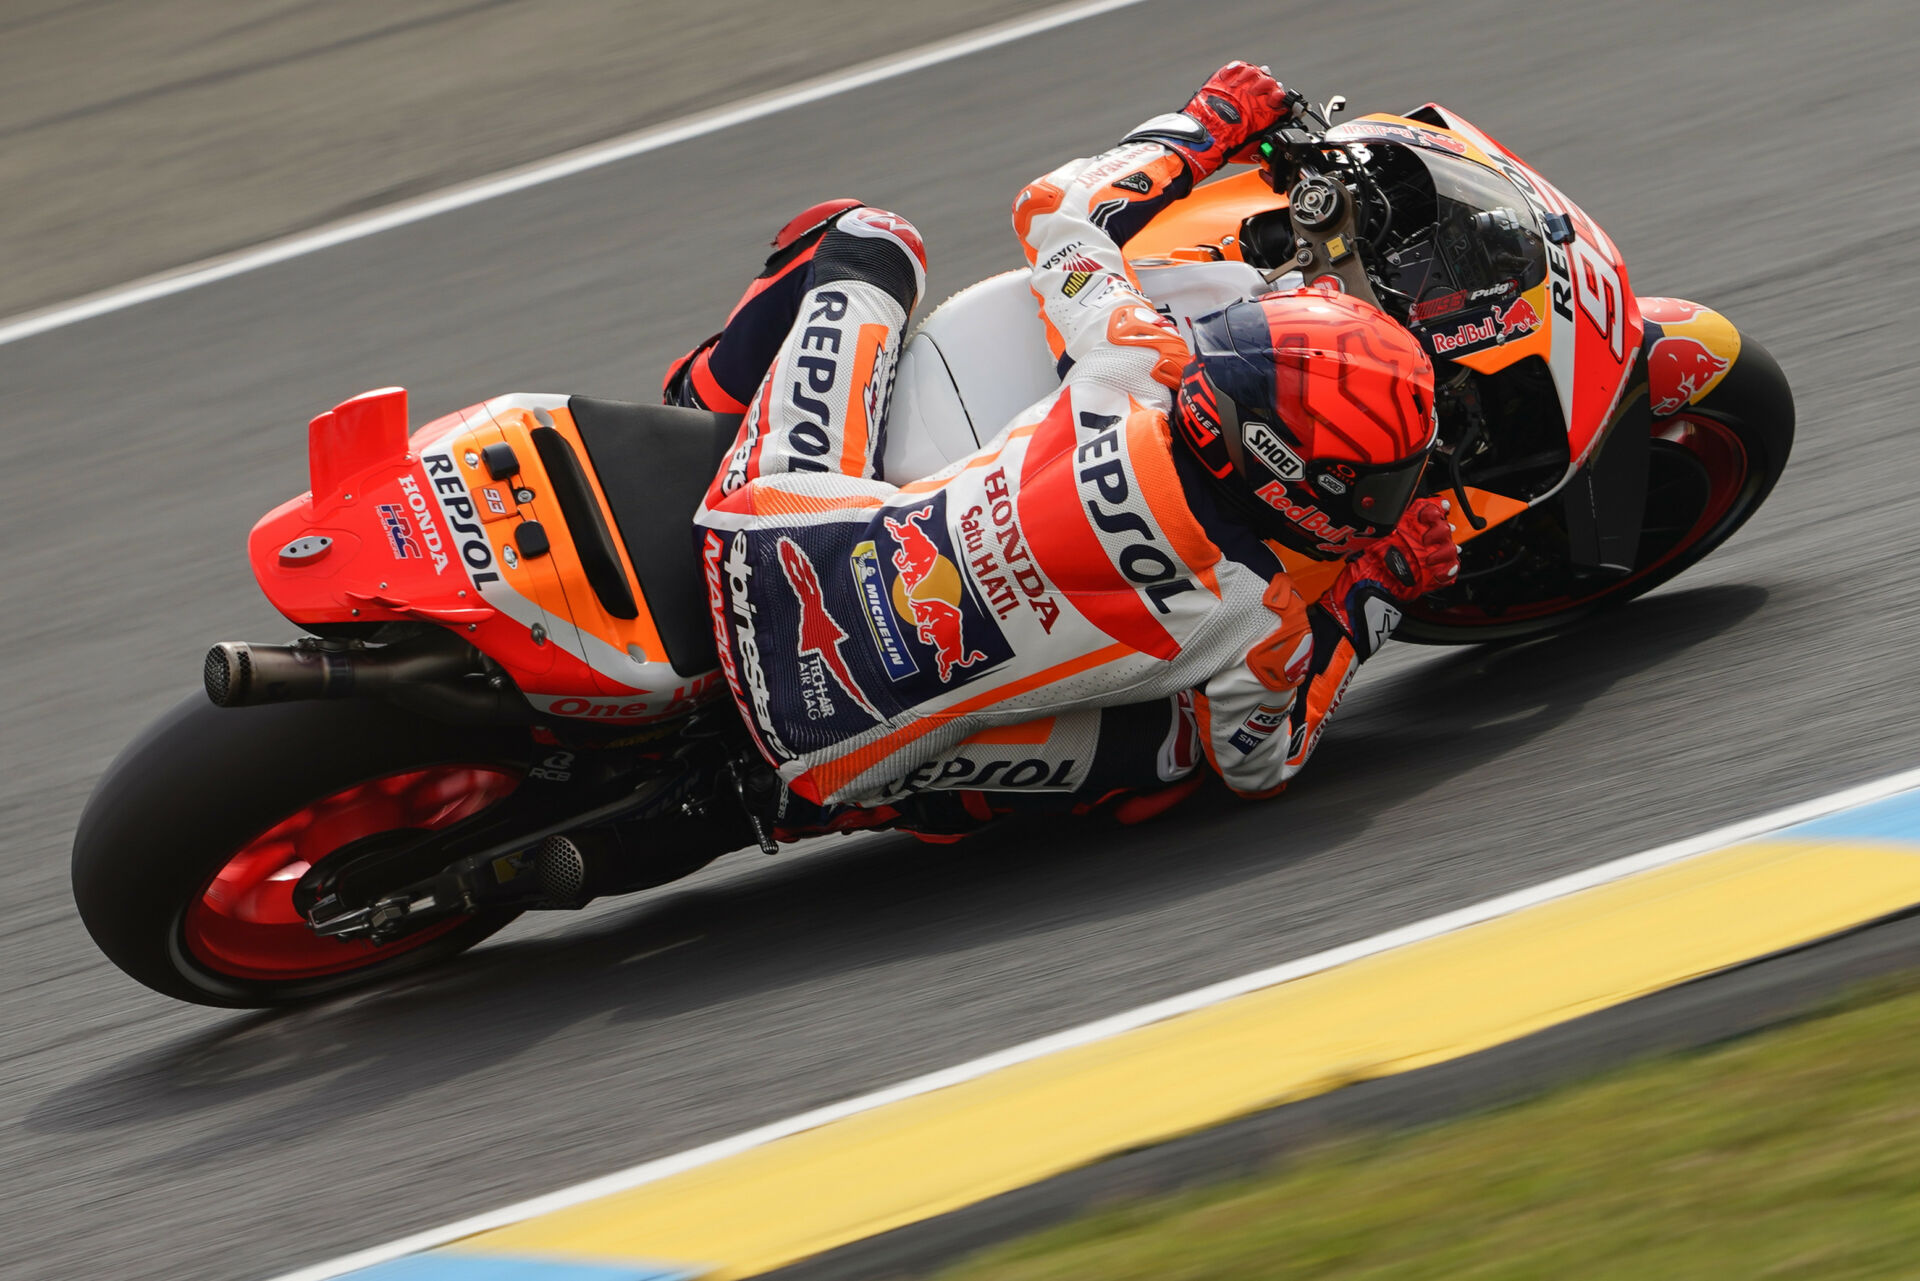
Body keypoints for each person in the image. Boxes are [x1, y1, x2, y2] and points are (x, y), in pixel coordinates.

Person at [668, 62, 1458, 838]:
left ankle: (699, 403)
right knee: (1181, 750)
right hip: (827, 746)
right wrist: (1377, 588)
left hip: (754, 539)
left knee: (869, 239)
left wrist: (1207, 125)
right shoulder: (1260, 620)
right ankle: (839, 804)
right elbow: (1262, 762)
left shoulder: (1136, 366)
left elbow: (1055, 207)